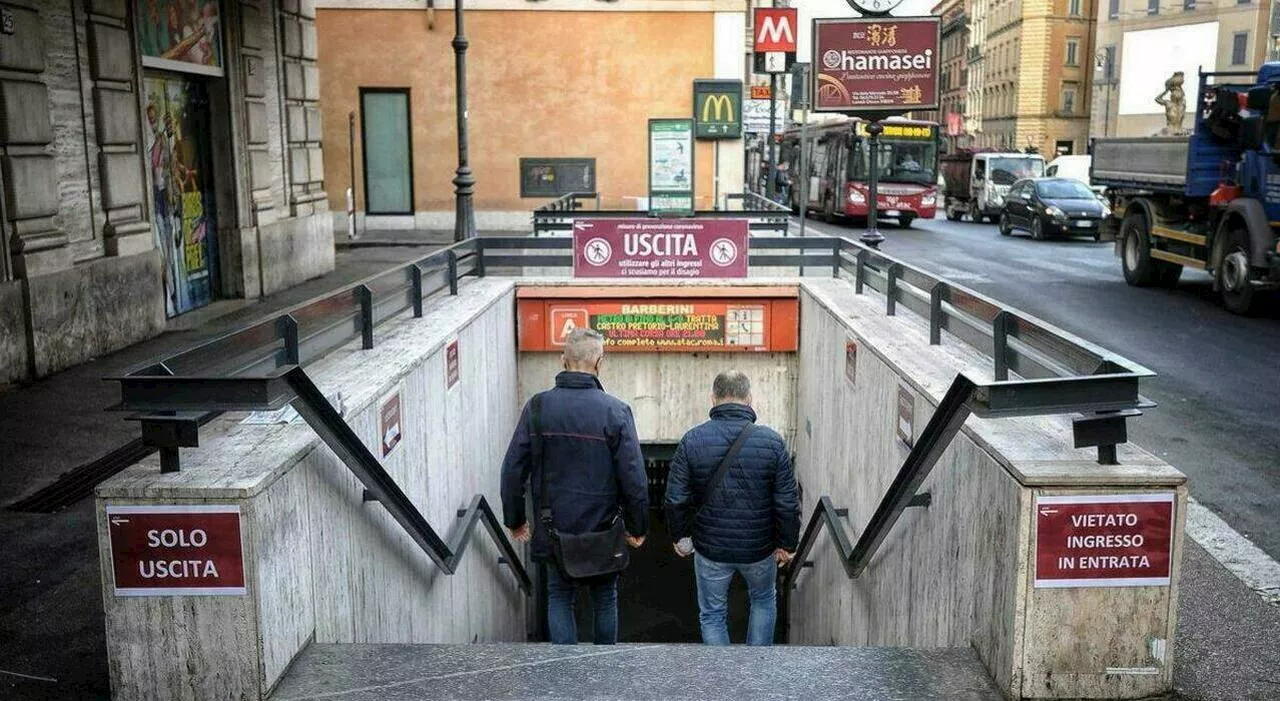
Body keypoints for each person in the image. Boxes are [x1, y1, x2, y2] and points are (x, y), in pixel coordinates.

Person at [500, 327, 649, 645]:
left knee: (558, 596)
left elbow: (513, 468)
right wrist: (638, 527)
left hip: (555, 527)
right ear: (600, 362)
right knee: (605, 598)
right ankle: (604, 668)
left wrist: (515, 519)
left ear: (562, 359)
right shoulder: (616, 411)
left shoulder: (538, 408)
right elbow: (633, 477)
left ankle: (564, 673)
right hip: (603, 527)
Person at [664, 371, 800, 646]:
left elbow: (675, 498)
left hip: (711, 549)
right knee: (762, 600)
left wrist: (679, 536)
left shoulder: (693, 440)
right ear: (749, 399)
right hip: (759, 549)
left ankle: (722, 676)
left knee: (713, 613)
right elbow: (786, 500)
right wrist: (788, 543)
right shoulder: (772, 442)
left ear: (712, 399)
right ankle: (757, 667)